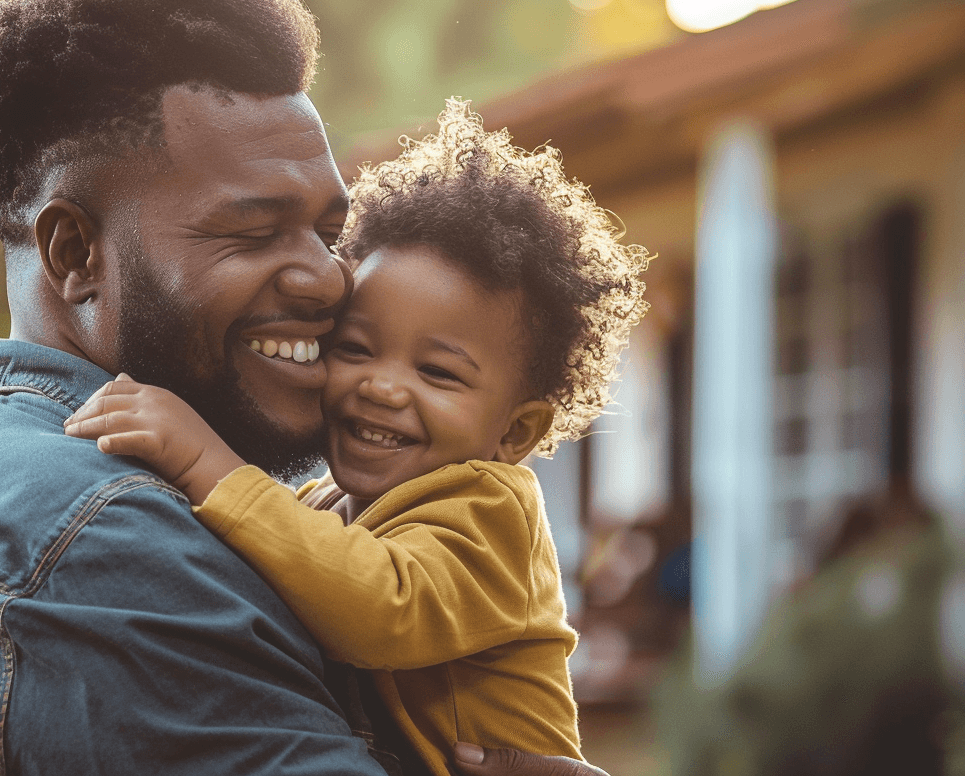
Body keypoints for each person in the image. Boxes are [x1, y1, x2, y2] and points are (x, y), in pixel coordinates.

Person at [0, 0, 610, 774]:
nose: (329, 278)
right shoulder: (96, 538)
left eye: (327, 233)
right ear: (73, 253)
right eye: (252, 231)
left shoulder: (17, 487)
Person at [64, 99, 649, 774]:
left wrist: (206, 460)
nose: (382, 386)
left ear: (514, 432)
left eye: (436, 372)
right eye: (357, 348)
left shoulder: (491, 511)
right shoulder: (321, 504)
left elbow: (381, 606)